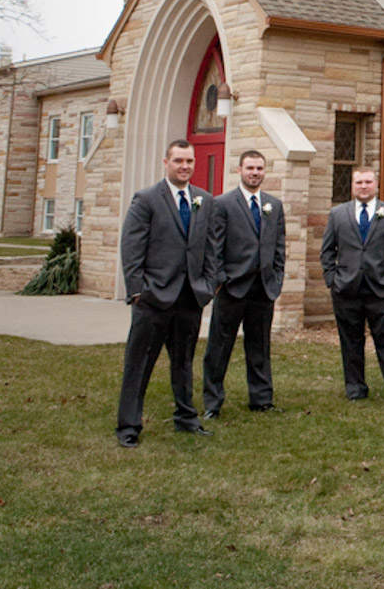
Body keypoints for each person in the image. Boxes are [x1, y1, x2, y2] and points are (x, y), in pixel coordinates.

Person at [115, 139, 215, 447]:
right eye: (178, 161)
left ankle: (186, 418)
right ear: (166, 162)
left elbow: (211, 247)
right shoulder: (146, 199)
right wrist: (137, 292)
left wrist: (207, 285)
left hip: (190, 298)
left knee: (183, 363)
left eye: (189, 161)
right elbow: (131, 248)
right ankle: (129, 426)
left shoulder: (204, 200)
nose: (185, 166)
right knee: (139, 363)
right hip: (153, 298)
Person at [319, 166, 384, 404]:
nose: (363, 186)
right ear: (352, 185)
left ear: (376, 185)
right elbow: (327, 252)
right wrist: (332, 280)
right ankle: (355, 390)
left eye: (368, 182)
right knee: (351, 342)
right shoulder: (337, 214)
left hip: (381, 289)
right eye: (359, 182)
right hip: (346, 289)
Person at [202, 150, 286, 418]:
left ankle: (261, 399)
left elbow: (279, 246)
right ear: (239, 170)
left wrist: (277, 277)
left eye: (259, 168)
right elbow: (214, 247)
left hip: (263, 289)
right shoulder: (223, 203)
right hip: (232, 288)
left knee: (260, 346)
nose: (255, 172)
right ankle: (212, 403)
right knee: (219, 347)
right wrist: (220, 280)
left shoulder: (274, 205)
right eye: (250, 167)